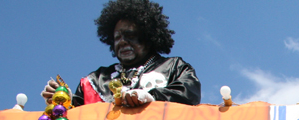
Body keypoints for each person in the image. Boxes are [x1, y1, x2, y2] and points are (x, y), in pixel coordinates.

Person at [42, 0, 201, 107]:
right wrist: (62, 100)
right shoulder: (96, 80)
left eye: (129, 35)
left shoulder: (174, 66)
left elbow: (190, 92)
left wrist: (151, 97)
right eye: (117, 37)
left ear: (148, 36)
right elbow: (77, 118)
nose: (122, 41)